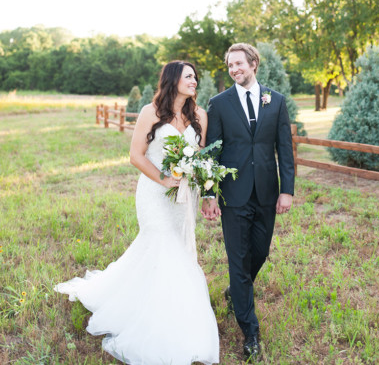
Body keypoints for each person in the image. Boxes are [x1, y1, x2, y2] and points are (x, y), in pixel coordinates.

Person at [55, 61, 219, 365]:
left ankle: (166, 304)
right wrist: (164, 178)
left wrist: (202, 186)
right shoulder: (150, 112)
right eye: (188, 76)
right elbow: (135, 155)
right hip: (155, 193)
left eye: (195, 76)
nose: (194, 81)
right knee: (162, 244)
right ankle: (158, 320)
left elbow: (201, 157)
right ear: (173, 79)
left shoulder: (200, 115)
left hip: (184, 197)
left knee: (174, 249)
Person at [201, 43, 295, 360]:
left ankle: (236, 290)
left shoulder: (276, 101)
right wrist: (209, 194)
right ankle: (250, 332)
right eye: (230, 65)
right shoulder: (219, 104)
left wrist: (287, 189)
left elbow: (285, 148)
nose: (234, 69)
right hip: (234, 195)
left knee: (260, 252)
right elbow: (212, 152)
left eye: (239, 63)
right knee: (238, 261)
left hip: (267, 192)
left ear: (254, 63)